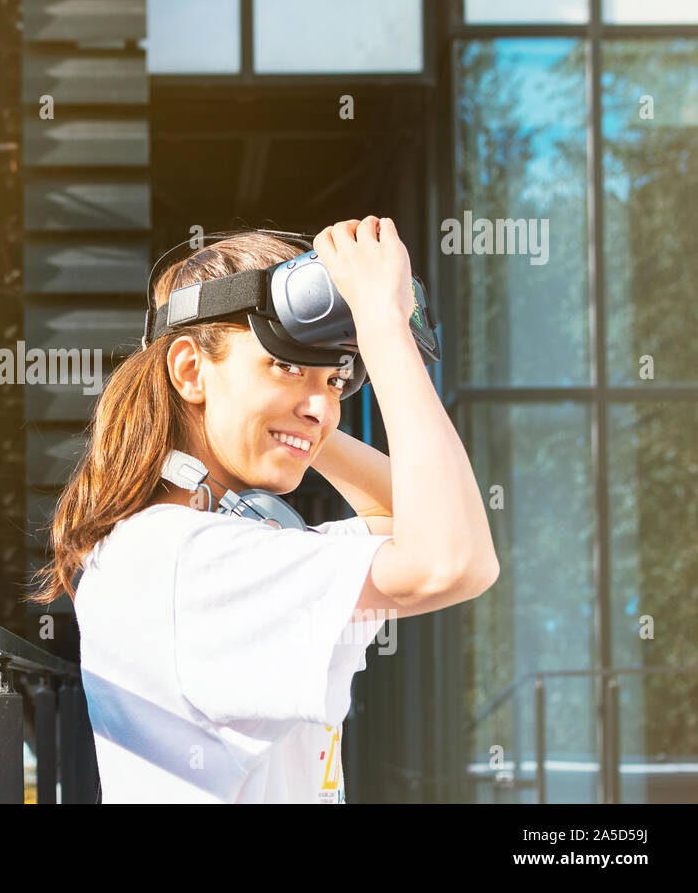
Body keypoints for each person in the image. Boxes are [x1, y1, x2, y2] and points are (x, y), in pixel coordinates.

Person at [25, 215, 500, 803]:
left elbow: (417, 523)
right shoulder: (181, 559)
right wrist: (383, 331)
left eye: (336, 381)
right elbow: (452, 562)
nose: (322, 405)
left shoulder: (199, 547)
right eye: (286, 365)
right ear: (191, 370)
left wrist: (304, 422)